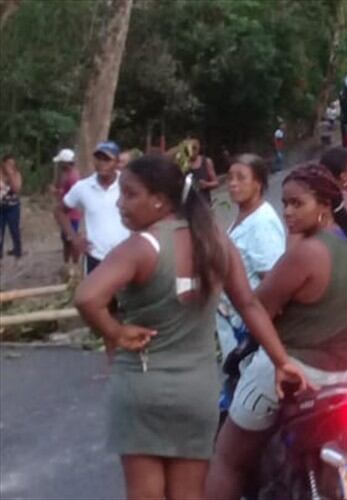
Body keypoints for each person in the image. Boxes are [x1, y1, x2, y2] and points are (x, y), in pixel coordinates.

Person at [73, 155, 301, 499]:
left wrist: (115, 332)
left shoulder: (140, 247)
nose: (120, 204)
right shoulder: (213, 242)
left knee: (145, 492)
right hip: (197, 390)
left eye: (130, 194)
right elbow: (251, 305)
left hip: (143, 386)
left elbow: (87, 298)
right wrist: (281, 361)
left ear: (160, 200)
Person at [207, 165, 347, 498]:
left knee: (228, 458)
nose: (288, 212)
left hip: (296, 370)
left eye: (298, 204)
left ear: (324, 204)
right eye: (285, 204)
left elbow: (257, 309)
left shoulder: (306, 254)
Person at [216, 154, 286, 362]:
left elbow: (273, 281)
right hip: (233, 322)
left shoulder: (262, 224)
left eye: (241, 178)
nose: (233, 184)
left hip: (247, 328)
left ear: (258, 184)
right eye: (230, 178)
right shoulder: (244, 216)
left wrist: (255, 331)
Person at [56, 142, 130, 275]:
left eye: (107, 159)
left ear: (117, 162)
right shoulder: (83, 187)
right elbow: (60, 211)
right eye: (99, 158)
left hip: (126, 257)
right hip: (95, 258)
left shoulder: (128, 184)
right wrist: (73, 238)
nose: (102, 163)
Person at [52, 149, 82, 266]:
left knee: (70, 239)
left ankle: (73, 265)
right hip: (70, 214)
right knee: (66, 239)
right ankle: (68, 263)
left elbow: (72, 196)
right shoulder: (71, 174)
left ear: (65, 163)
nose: (59, 165)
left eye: (60, 163)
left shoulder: (72, 177)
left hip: (70, 214)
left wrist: (56, 192)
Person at [0, 154, 23, 261]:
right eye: (8, 164)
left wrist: (10, 175)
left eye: (12, 164)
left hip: (13, 206)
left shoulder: (16, 174)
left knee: (14, 229)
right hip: (1, 206)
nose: (11, 166)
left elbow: (16, 189)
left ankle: (17, 251)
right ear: (3, 163)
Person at [183, 139, 218, 205]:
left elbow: (216, 182)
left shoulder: (206, 162)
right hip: (189, 204)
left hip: (205, 203)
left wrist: (207, 184)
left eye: (194, 149)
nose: (191, 153)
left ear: (198, 149)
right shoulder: (184, 164)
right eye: (188, 150)